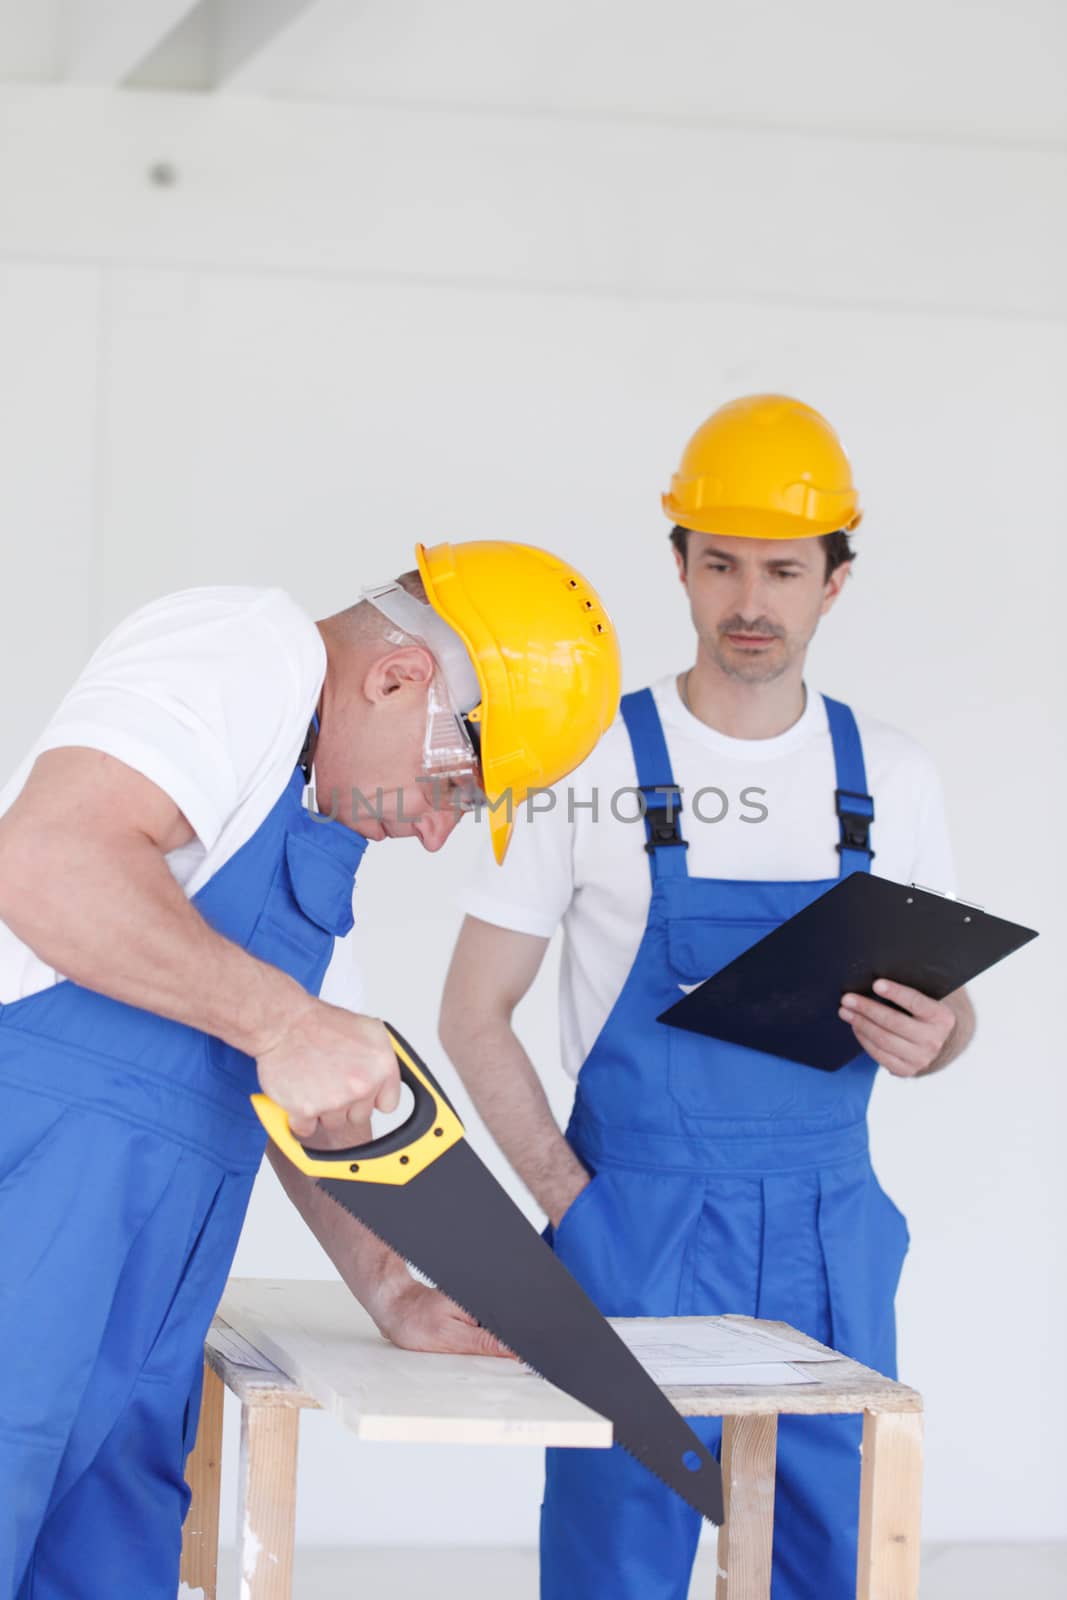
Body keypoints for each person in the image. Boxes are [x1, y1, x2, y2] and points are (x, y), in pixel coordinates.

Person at [0, 539, 621, 1599]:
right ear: (397, 677)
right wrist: (283, 1021)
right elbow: (45, 858)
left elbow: (322, 1104)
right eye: (452, 788)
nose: (433, 833)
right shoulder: (239, 650)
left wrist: (393, 1288)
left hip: (140, 1323)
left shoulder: (309, 854)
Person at [440, 396, 977, 1600]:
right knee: (613, 1560)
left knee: (825, 1555)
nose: (748, 600)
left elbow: (942, 1009)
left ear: (832, 582)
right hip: (634, 1219)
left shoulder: (887, 777)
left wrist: (937, 1037)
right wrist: (572, 1205)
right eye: (718, 563)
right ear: (676, 563)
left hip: (827, 1224)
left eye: (782, 569)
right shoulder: (593, 762)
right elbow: (473, 1009)